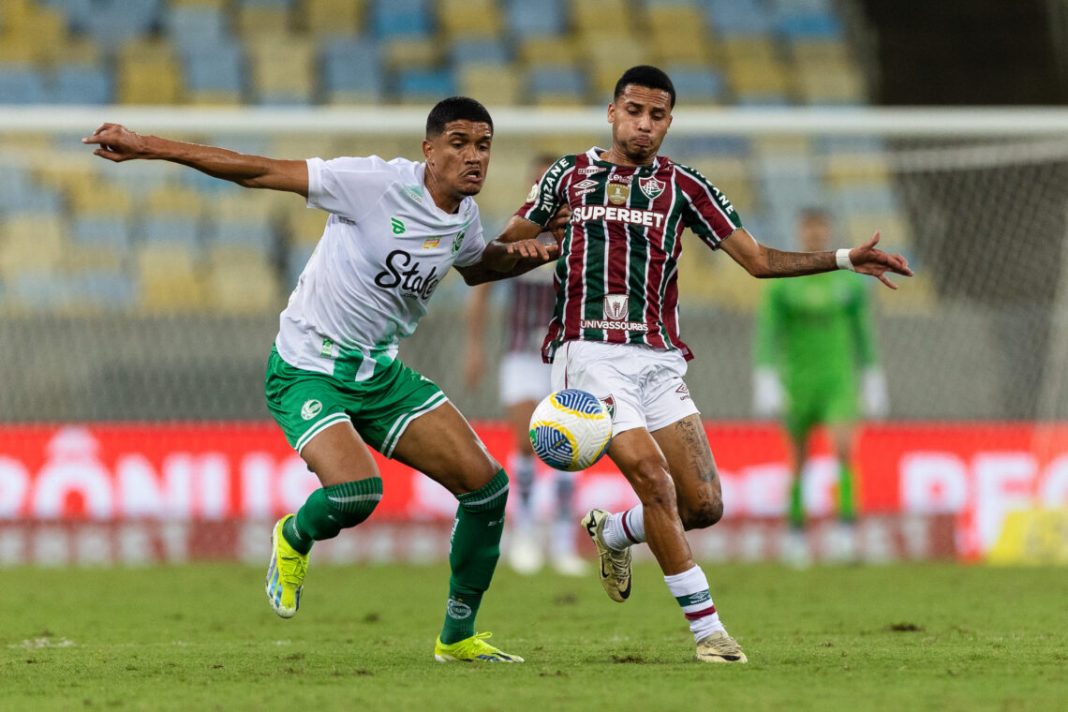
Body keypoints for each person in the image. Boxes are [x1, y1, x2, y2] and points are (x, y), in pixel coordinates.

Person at [83, 97, 558, 664]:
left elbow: (479, 266)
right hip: (307, 367)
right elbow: (256, 169)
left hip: (379, 371)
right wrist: (148, 146)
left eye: (482, 145)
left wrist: (541, 250)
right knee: (358, 494)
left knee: (487, 489)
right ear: (428, 150)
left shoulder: (463, 218)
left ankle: (457, 637)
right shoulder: (370, 184)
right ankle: (293, 537)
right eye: (458, 143)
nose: (473, 157)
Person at [494, 66, 911, 664]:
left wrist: (844, 257)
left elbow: (759, 260)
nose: (644, 125)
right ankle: (708, 632)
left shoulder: (685, 187)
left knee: (703, 506)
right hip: (586, 354)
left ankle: (614, 532)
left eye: (657, 115)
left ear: (669, 121)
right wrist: (523, 245)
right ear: (612, 113)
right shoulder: (569, 174)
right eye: (633, 111)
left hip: (659, 361)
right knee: (656, 481)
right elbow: (505, 248)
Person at [465, 155, 588, 578]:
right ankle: (524, 534)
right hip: (519, 352)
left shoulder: (583, 235)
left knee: (569, 449)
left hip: (564, 357)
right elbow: (480, 288)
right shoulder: (516, 232)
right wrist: (475, 346)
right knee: (524, 445)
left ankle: (562, 540)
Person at [753, 208, 889, 566]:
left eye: (819, 229)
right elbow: (769, 331)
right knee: (798, 459)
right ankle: (795, 533)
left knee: (844, 448)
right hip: (798, 380)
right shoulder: (783, 280)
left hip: (838, 378)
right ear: (800, 233)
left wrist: (872, 374)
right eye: (808, 229)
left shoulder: (848, 281)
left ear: (827, 232)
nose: (814, 235)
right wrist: (765, 375)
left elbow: (863, 331)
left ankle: (846, 530)